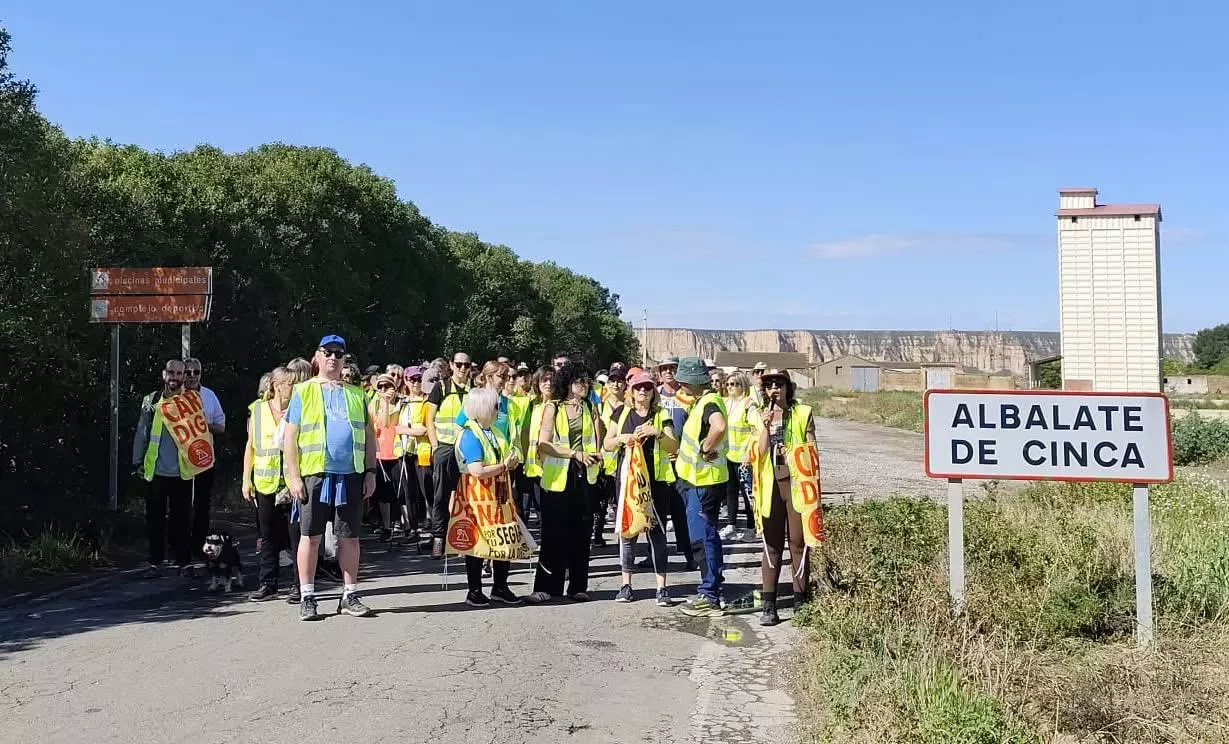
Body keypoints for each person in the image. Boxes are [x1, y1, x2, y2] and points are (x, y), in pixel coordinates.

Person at [282, 334, 377, 621]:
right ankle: (308, 595)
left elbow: (369, 435)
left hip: (351, 473)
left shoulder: (356, 393)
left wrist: (370, 472)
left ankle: (349, 594)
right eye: (329, 352)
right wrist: (293, 476)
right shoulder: (304, 391)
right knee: (310, 536)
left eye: (339, 353)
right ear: (318, 356)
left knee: (349, 537)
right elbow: (290, 437)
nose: (334, 358)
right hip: (315, 472)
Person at [526, 362, 603, 603]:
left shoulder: (590, 407)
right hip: (558, 478)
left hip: (586, 475)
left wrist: (597, 455)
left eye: (587, 381)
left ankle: (578, 586)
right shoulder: (553, 408)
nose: (585, 385)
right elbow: (544, 443)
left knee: (582, 532)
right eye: (581, 381)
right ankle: (546, 587)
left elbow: (598, 440)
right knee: (553, 534)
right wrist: (573, 454)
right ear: (569, 383)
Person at [604, 371, 679, 605]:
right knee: (628, 533)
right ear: (631, 391)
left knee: (657, 534)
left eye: (647, 387)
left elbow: (673, 444)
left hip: (655, 483)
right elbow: (607, 443)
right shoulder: (621, 413)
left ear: (653, 391)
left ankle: (661, 588)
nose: (642, 391)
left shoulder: (661, 414)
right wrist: (622, 439)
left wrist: (656, 433)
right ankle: (626, 585)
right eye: (638, 388)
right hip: (628, 481)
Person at [754, 369, 817, 626]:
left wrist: (794, 452)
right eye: (769, 385)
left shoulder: (803, 413)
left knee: (798, 542)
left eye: (779, 384)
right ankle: (769, 604)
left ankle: (801, 601)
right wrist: (765, 428)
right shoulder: (759, 415)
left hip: (797, 484)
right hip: (770, 485)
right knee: (771, 544)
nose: (774, 389)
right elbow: (758, 452)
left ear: (788, 387)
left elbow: (813, 451)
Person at [132, 359, 206, 574]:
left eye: (179, 373)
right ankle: (155, 561)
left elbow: (201, 432)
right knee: (154, 519)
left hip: (182, 470)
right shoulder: (152, 400)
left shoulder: (192, 400)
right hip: (155, 469)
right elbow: (142, 431)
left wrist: (202, 463)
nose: (174, 376)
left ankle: (183, 561)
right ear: (164, 374)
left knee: (182, 519)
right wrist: (137, 460)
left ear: (184, 376)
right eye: (171, 372)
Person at [454, 387, 524, 607]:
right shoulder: (469, 434)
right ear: (483, 408)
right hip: (477, 496)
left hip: (499, 494)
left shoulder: (494, 430)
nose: (499, 409)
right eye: (495, 406)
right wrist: (504, 466)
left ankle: (500, 587)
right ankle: (474, 591)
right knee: (478, 542)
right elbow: (477, 470)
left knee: (502, 538)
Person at [672, 357, 729, 617]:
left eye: (683, 382)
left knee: (702, 538)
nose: (681, 386)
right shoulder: (702, 402)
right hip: (698, 481)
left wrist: (706, 447)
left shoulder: (709, 403)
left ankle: (709, 593)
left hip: (702, 483)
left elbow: (719, 426)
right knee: (704, 537)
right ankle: (712, 586)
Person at [244, 366, 295, 601]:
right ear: (275, 385)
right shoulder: (259, 411)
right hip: (265, 482)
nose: (292, 388)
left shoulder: (297, 409)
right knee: (267, 536)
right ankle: (268, 583)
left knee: (296, 534)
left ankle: (299, 583)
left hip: (292, 482)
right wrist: (246, 479)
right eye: (288, 384)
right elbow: (251, 446)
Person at [426, 352, 473, 558]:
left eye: (467, 365)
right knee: (441, 495)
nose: (463, 368)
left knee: (468, 495)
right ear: (452, 366)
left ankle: (464, 539)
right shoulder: (441, 387)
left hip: (468, 448)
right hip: (445, 447)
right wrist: (435, 446)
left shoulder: (475, 390)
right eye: (459, 364)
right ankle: (439, 537)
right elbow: (429, 419)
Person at [183, 357, 225, 562]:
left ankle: (199, 547)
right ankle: (178, 549)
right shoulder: (176, 396)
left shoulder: (208, 396)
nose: (191, 376)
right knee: (180, 505)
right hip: (179, 460)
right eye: (188, 372)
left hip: (203, 459)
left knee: (201, 505)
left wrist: (203, 425)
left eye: (195, 372)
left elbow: (221, 425)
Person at [396, 365, 433, 547]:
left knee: (427, 492)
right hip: (405, 452)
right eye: (413, 379)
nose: (416, 383)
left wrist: (405, 430)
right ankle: (411, 529)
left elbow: (425, 428)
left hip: (423, 452)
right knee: (408, 492)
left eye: (419, 379)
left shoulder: (426, 401)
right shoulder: (402, 402)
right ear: (406, 381)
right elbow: (390, 425)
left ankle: (435, 531)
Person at [594, 365, 628, 547]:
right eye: (612, 381)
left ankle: (624, 536)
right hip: (604, 460)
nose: (616, 384)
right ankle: (597, 535)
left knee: (620, 501)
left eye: (619, 381)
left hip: (622, 460)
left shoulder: (629, 408)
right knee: (601, 502)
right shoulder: (599, 406)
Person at [721, 372, 758, 540]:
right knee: (730, 492)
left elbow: (756, 430)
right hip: (728, 455)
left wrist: (749, 454)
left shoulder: (748, 404)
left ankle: (752, 527)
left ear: (742, 386)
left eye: (734, 384)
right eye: (728, 384)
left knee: (748, 494)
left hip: (743, 457)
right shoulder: (724, 403)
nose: (730, 387)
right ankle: (731, 525)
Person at [369, 373, 405, 541]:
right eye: (380, 387)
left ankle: (401, 523)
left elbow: (392, 423)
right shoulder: (373, 404)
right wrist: (384, 403)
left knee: (400, 490)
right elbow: (380, 425)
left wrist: (389, 403)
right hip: (380, 452)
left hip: (397, 452)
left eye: (387, 386)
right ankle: (386, 525)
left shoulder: (401, 403)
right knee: (383, 492)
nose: (384, 390)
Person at [519, 365, 554, 521]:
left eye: (551, 380)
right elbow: (525, 432)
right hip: (534, 465)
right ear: (537, 383)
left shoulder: (559, 405)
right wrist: (526, 458)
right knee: (538, 507)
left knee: (551, 510)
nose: (548, 384)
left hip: (554, 465)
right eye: (544, 380)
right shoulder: (532, 405)